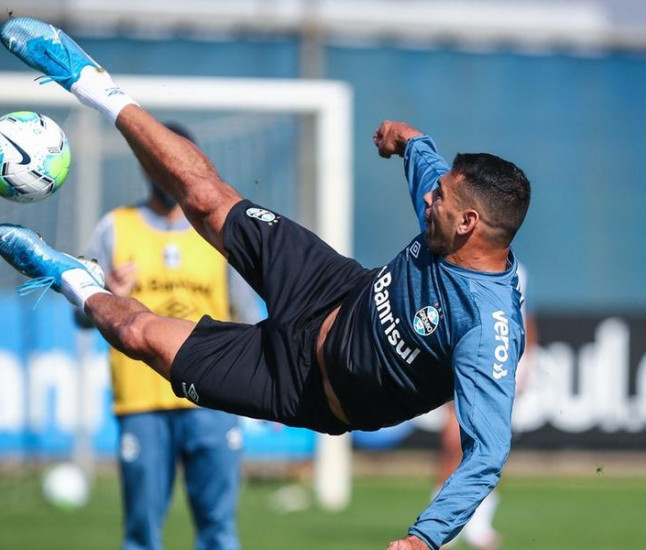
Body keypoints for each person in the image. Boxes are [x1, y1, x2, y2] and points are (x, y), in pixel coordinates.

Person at [0, 17, 531, 550]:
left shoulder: (488, 328)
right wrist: (406, 139)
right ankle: (87, 79)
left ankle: (71, 278)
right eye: (435, 191)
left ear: (469, 225)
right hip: (331, 288)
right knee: (207, 200)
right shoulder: (450, 214)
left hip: (304, 389)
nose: (428, 201)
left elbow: (487, 453)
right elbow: (424, 154)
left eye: (440, 200)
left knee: (139, 336)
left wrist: (424, 539)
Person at [74, 122, 263, 550]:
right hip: (142, 403)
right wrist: (106, 297)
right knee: (141, 533)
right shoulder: (114, 228)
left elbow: (248, 317)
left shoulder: (219, 230)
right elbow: (81, 319)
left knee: (218, 530)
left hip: (213, 400)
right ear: (147, 167)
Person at [436, 265, 538, 550]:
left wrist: (528, 360)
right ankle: (440, 520)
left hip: (498, 364)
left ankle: (479, 523)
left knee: (492, 445)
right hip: (463, 355)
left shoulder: (519, 272)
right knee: (452, 440)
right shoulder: (456, 262)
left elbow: (525, 316)